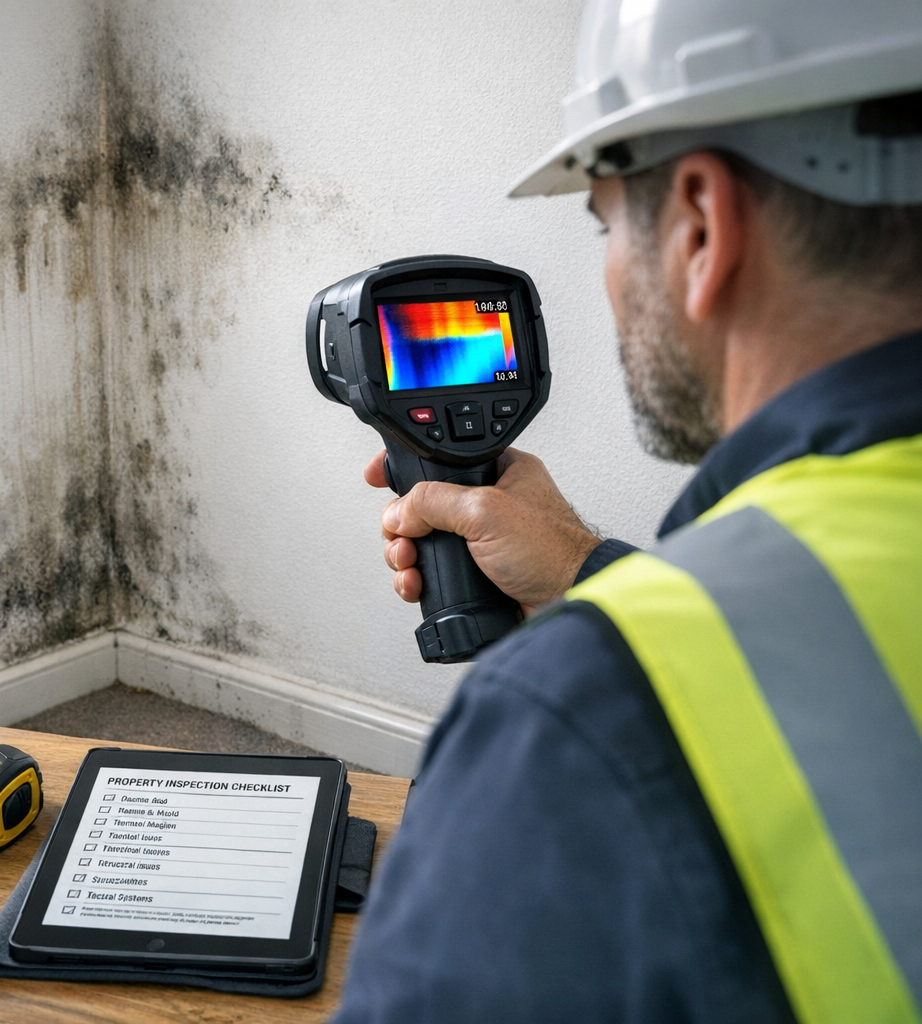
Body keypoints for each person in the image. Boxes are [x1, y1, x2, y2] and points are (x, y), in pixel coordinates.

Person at [332, 1, 922, 1021]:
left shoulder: (574, 717)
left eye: (607, 221)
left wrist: (592, 656)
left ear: (700, 222)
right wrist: (583, 570)